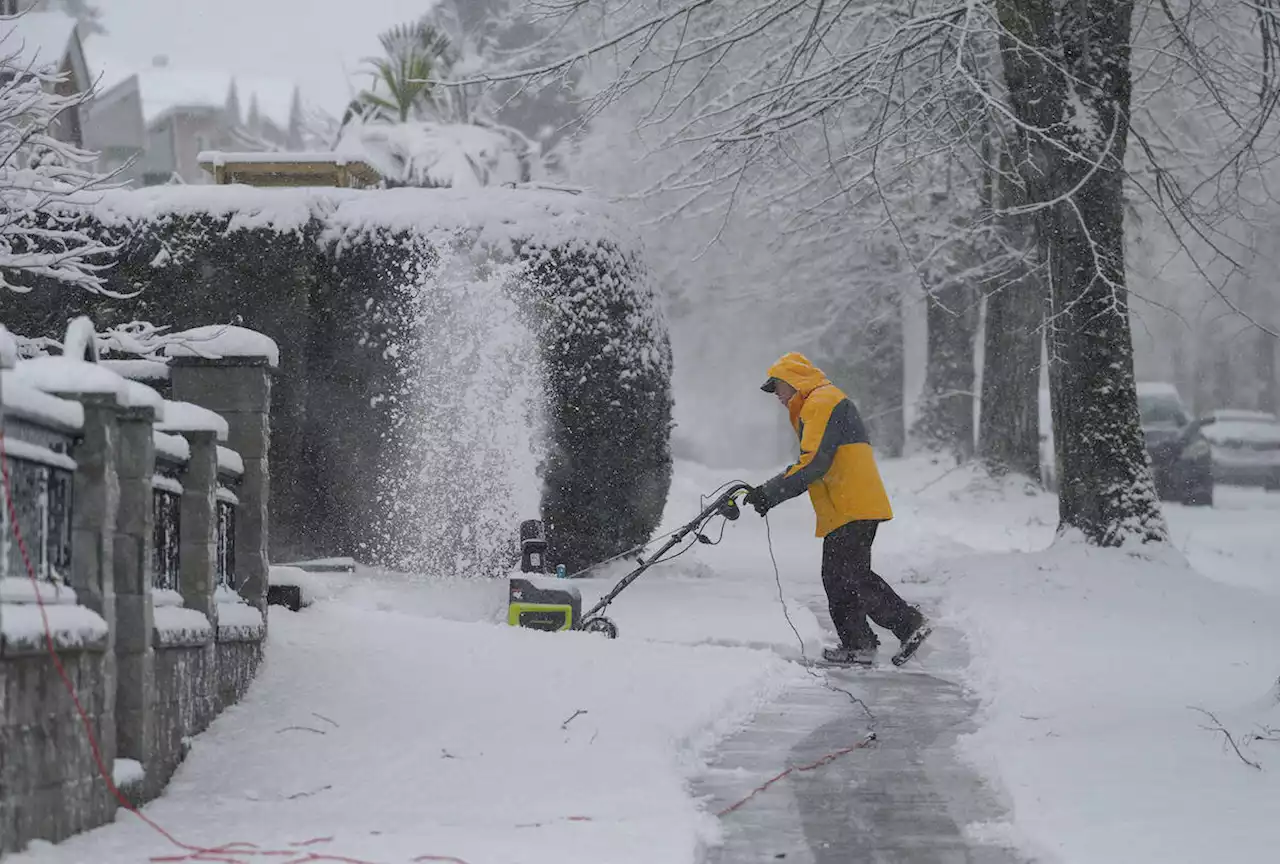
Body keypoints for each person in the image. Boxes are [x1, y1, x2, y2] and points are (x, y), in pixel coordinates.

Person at [743, 352, 931, 666]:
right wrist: (768, 491)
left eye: (777, 386)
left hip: (851, 504)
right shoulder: (821, 401)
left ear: (793, 381)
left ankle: (908, 624)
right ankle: (859, 644)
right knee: (839, 577)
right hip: (848, 505)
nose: (776, 394)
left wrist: (769, 494)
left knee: (850, 577)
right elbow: (813, 462)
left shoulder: (820, 402)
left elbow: (814, 464)